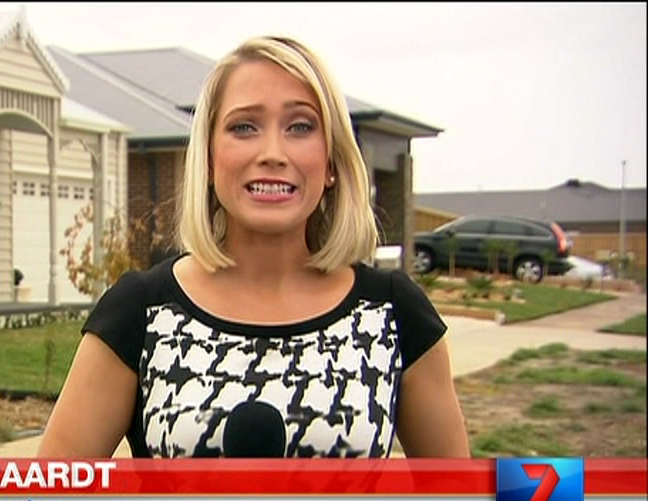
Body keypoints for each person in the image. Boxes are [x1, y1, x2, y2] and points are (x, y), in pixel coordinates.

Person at [38, 35, 470, 459]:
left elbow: (463, 498)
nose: (272, 153)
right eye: (244, 127)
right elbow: (47, 496)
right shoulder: (141, 312)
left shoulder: (393, 313)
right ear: (209, 159)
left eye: (300, 127)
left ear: (332, 162)